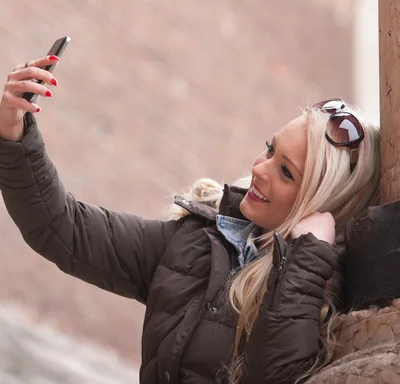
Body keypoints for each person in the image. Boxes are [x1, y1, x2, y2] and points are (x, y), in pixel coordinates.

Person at [0, 55, 380, 384]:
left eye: (286, 172)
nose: (259, 169)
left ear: (320, 202)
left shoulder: (329, 303)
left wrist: (305, 261)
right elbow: (65, 230)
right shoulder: (198, 241)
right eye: (270, 149)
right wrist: (13, 131)